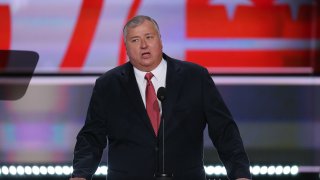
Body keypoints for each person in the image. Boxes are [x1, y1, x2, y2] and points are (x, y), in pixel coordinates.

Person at [70, 15, 251, 180]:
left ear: (160, 41)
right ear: (126, 47)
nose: (143, 45)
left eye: (149, 37)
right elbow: (91, 138)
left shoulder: (195, 77)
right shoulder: (107, 85)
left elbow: (224, 131)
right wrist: (80, 175)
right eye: (135, 40)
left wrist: (240, 174)